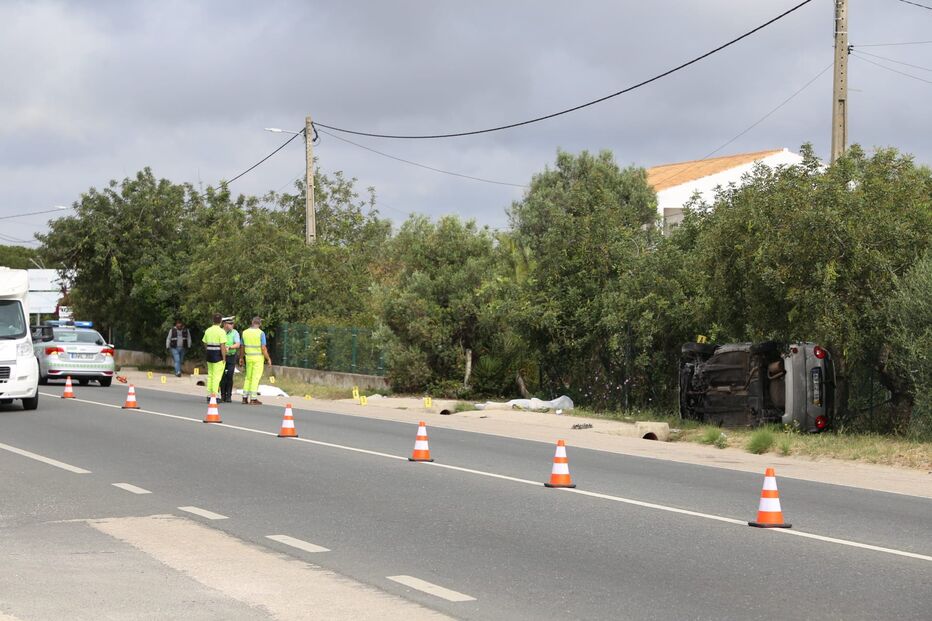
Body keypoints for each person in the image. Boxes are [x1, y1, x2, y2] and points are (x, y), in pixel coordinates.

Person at [239, 316, 272, 405]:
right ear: (259, 324)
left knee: (248, 377)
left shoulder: (245, 332)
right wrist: (268, 358)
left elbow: (242, 347)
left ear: (252, 322)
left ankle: (244, 397)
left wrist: (241, 357)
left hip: (248, 357)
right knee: (255, 378)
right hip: (258, 358)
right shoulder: (261, 333)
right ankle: (253, 398)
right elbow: (263, 348)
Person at [202, 313, 228, 402]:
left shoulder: (208, 330)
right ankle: (215, 395)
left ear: (213, 320)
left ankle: (209, 395)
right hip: (218, 356)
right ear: (221, 321)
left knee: (210, 375)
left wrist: (208, 350)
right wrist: (224, 358)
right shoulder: (221, 332)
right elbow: (222, 346)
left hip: (209, 355)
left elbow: (205, 343)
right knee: (217, 377)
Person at [218, 316, 240, 403]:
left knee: (229, 375)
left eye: (232, 323)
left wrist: (230, 347)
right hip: (221, 356)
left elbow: (237, 344)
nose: (232, 325)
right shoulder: (221, 332)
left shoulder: (235, 333)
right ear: (224, 324)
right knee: (222, 375)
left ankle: (229, 395)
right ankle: (223, 395)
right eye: (229, 323)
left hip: (231, 356)